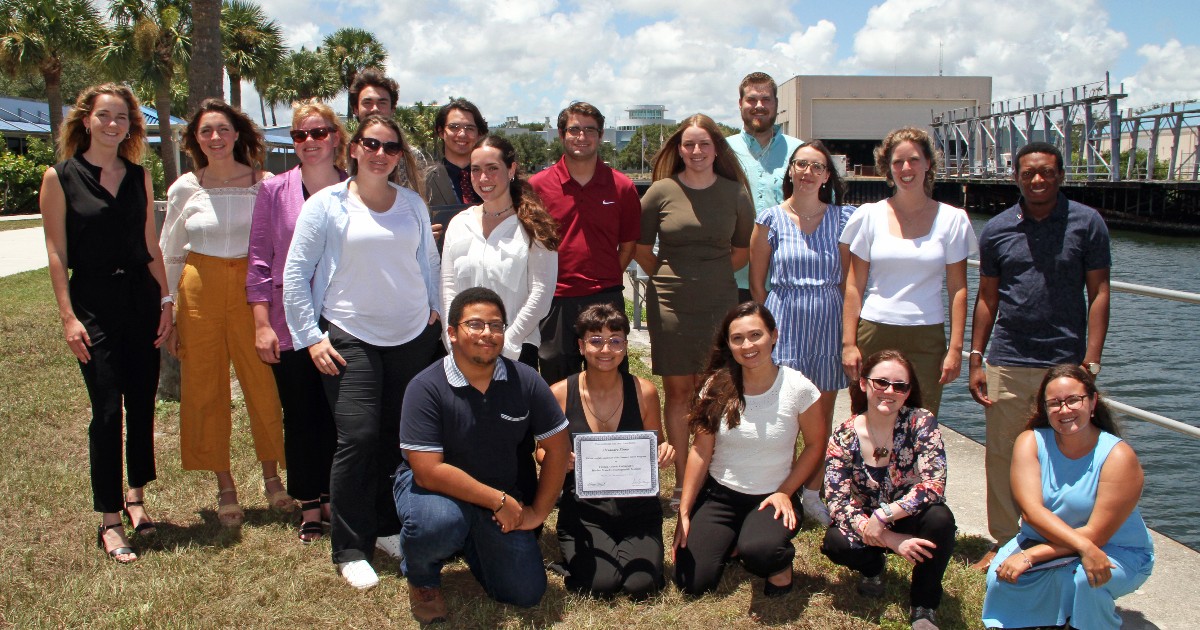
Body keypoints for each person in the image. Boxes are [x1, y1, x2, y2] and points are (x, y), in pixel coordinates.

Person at [283, 115, 442, 589]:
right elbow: (296, 273)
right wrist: (310, 336)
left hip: (413, 336)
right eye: (371, 144)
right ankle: (351, 546)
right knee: (357, 437)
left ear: (399, 156)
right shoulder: (327, 206)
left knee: (397, 438)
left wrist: (436, 312)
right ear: (352, 148)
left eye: (391, 147)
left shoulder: (411, 204)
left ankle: (388, 527)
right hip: (350, 334)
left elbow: (428, 264)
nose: (380, 153)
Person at [41, 83, 173, 563]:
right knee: (106, 409)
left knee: (141, 403)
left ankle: (136, 497)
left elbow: (151, 244)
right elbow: (56, 252)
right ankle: (110, 520)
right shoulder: (60, 177)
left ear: (131, 126)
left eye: (122, 117)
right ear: (86, 120)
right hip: (93, 302)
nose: (113, 124)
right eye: (104, 116)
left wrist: (166, 299)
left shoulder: (139, 176)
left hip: (141, 296)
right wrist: (68, 316)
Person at [968, 141, 1112, 569]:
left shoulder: (1088, 224)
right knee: (1002, 452)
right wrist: (976, 359)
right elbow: (987, 298)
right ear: (1015, 176)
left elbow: (1099, 292)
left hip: (1066, 365)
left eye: (1047, 172)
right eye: (1028, 172)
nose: (1037, 179)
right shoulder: (996, 229)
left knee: (1067, 453)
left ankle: (1063, 539)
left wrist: (1093, 360)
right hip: (1005, 360)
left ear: (1060, 176)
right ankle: (1006, 539)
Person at [395, 288, 571, 624]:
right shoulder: (425, 387)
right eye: (475, 324)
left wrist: (537, 512)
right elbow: (427, 472)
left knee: (526, 593)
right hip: (434, 493)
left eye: (496, 325)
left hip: (498, 494)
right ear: (451, 333)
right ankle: (422, 578)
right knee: (439, 522)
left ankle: (476, 543)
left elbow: (560, 446)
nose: (487, 333)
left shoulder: (525, 380)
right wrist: (498, 501)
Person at [161, 98, 287, 527]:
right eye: (205, 131)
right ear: (195, 139)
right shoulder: (184, 188)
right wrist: (170, 311)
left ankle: (273, 480)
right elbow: (170, 253)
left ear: (238, 133)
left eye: (222, 129)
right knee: (204, 384)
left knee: (261, 381)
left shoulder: (265, 183)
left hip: (253, 290)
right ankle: (225, 485)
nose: (215, 138)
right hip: (199, 287)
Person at [634, 113, 754, 504]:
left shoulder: (736, 193)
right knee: (679, 390)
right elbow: (640, 250)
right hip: (670, 303)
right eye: (689, 144)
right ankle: (684, 482)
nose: (697, 151)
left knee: (718, 390)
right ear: (678, 149)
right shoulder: (659, 192)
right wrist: (671, 275)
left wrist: (711, 274)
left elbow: (742, 251)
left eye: (704, 144)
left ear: (716, 148)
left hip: (720, 302)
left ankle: (715, 478)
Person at [673, 302, 826, 600]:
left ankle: (775, 560)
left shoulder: (799, 388)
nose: (748, 345)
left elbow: (816, 445)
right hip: (721, 494)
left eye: (756, 335)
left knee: (762, 551)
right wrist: (685, 509)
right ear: (729, 345)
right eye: (738, 338)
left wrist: (786, 491)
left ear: (774, 335)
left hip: (773, 496)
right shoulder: (716, 386)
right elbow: (701, 451)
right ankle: (735, 540)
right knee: (691, 582)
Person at [982, 365, 1153, 630]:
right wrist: (1048, 551)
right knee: (1001, 577)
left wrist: (1032, 556)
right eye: (1054, 403)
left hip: (1115, 549)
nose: (1064, 410)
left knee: (1087, 580)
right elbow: (1031, 513)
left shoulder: (1118, 456)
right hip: (1051, 541)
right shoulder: (1030, 441)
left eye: (1074, 399)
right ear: (1044, 409)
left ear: (1093, 401)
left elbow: (1097, 535)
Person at [246, 100, 347, 543]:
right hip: (289, 324)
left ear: (337, 137)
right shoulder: (274, 191)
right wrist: (261, 323)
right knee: (301, 414)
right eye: (300, 135)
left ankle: (336, 496)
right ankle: (309, 502)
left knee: (338, 415)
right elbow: (259, 261)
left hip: (344, 321)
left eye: (319, 133)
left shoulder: (355, 188)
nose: (309, 142)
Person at [748, 139, 855, 527]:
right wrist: (773, 323)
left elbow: (848, 281)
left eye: (817, 167)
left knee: (820, 414)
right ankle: (775, 486)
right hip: (785, 319)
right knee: (780, 409)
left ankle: (811, 492)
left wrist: (847, 333)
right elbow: (759, 283)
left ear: (827, 175)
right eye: (801, 165)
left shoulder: (845, 219)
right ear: (790, 171)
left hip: (827, 320)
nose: (808, 172)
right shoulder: (769, 219)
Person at [840, 126, 977, 417]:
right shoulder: (869, 215)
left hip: (927, 337)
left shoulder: (953, 220)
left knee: (922, 422)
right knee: (868, 418)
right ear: (887, 169)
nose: (906, 168)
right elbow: (854, 285)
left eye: (914, 160)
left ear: (928, 163)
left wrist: (955, 349)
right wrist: (849, 343)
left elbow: (958, 290)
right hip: (874, 331)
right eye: (897, 162)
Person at [539, 304, 672, 598]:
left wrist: (663, 452)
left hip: (638, 508)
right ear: (581, 346)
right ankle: (579, 555)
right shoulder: (559, 393)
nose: (606, 349)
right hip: (585, 508)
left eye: (615, 340)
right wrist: (563, 459)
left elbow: (656, 441)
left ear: (625, 346)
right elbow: (541, 452)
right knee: (601, 585)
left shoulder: (644, 391)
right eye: (596, 340)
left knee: (642, 586)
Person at [821, 349, 955, 630]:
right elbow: (836, 500)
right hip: (866, 520)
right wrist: (891, 539)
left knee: (940, 519)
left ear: (907, 392)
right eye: (880, 382)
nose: (889, 391)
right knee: (836, 542)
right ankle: (873, 569)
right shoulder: (843, 436)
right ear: (863, 383)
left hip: (906, 512)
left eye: (899, 386)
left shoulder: (920, 421)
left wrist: (884, 517)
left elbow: (933, 484)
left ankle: (924, 604)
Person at [529, 102, 641, 384]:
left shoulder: (622, 187)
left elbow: (628, 245)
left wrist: (606, 276)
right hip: (556, 301)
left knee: (610, 377)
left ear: (601, 135)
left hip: (606, 296)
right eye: (574, 129)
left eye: (590, 130)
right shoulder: (538, 186)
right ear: (561, 134)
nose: (582, 136)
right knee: (557, 377)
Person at [440, 134, 558, 367]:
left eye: (492, 168)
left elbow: (541, 293)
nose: (483, 177)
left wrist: (507, 342)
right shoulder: (458, 224)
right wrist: (452, 338)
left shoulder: (534, 226)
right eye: (476, 169)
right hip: (464, 350)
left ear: (511, 169)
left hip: (516, 350)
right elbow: (447, 288)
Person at [729, 71, 805, 304]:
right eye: (751, 99)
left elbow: (824, 208)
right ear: (740, 104)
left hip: (788, 281)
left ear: (776, 105)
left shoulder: (801, 152)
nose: (759, 106)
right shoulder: (720, 152)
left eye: (766, 99)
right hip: (731, 280)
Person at [425, 99, 488, 207]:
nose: (462, 134)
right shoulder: (424, 180)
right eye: (454, 127)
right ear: (441, 132)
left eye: (470, 128)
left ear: (479, 134)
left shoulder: (494, 178)